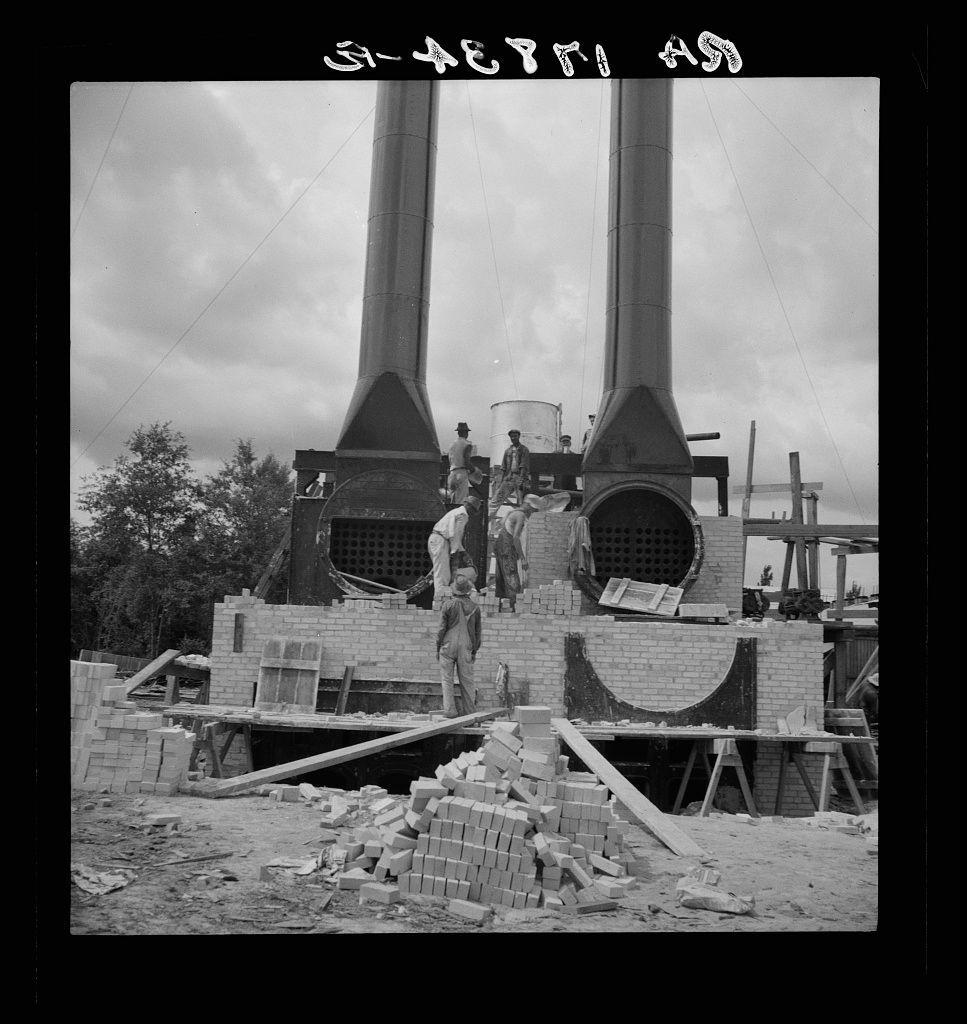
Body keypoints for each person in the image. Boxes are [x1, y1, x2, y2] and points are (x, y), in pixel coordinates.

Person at [436, 574, 481, 718]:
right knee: (467, 681)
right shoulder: (475, 608)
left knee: (447, 680)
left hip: (448, 645)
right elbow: (477, 632)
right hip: (466, 646)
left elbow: (441, 629)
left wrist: (438, 647)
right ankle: (470, 713)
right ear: (467, 591)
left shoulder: (448, 605)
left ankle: (450, 711)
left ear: (454, 590)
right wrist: (474, 651)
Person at [428, 494, 481, 594]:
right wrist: (455, 552)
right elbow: (455, 534)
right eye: (473, 511)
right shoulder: (463, 515)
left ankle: (441, 599)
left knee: (444, 573)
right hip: (440, 541)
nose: (473, 514)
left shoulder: (457, 512)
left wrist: (463, 552)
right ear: (470, 507)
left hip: (438, 539)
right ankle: (440, 601)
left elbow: (455, 537)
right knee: (442, 575)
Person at [494, 496, 538, 610]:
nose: (533, 513)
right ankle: (514, 609)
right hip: (506, 548)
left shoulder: (514, 513)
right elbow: (516, 538)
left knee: (501, 581)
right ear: (528, 506)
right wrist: (523, 559)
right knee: (512, 578)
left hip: (501, 546)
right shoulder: (520, 515)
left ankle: (500, 608)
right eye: (533, 510)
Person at [491, 429, 532, 508]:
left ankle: (521, 519)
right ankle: (489, 518)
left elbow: (523, 465)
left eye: (515, 436)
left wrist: (521, 479)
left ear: (519, 436)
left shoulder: (524, 450)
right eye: (511, 436)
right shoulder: (508, 451)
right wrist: (501, 481)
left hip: (520, 477)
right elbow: (503, 467)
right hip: (509, 477)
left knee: (522, 502)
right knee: (496, 499)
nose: (513, 438)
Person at [446, 423, 475, 504]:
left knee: (452, 500)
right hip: (461, 473)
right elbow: (467, 462)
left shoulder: (451, 445)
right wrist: (474, 471)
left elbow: (450, 460)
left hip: (452, 474)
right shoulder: (467, 444)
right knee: (461, 501)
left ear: (458, 433)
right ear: (466, 433)